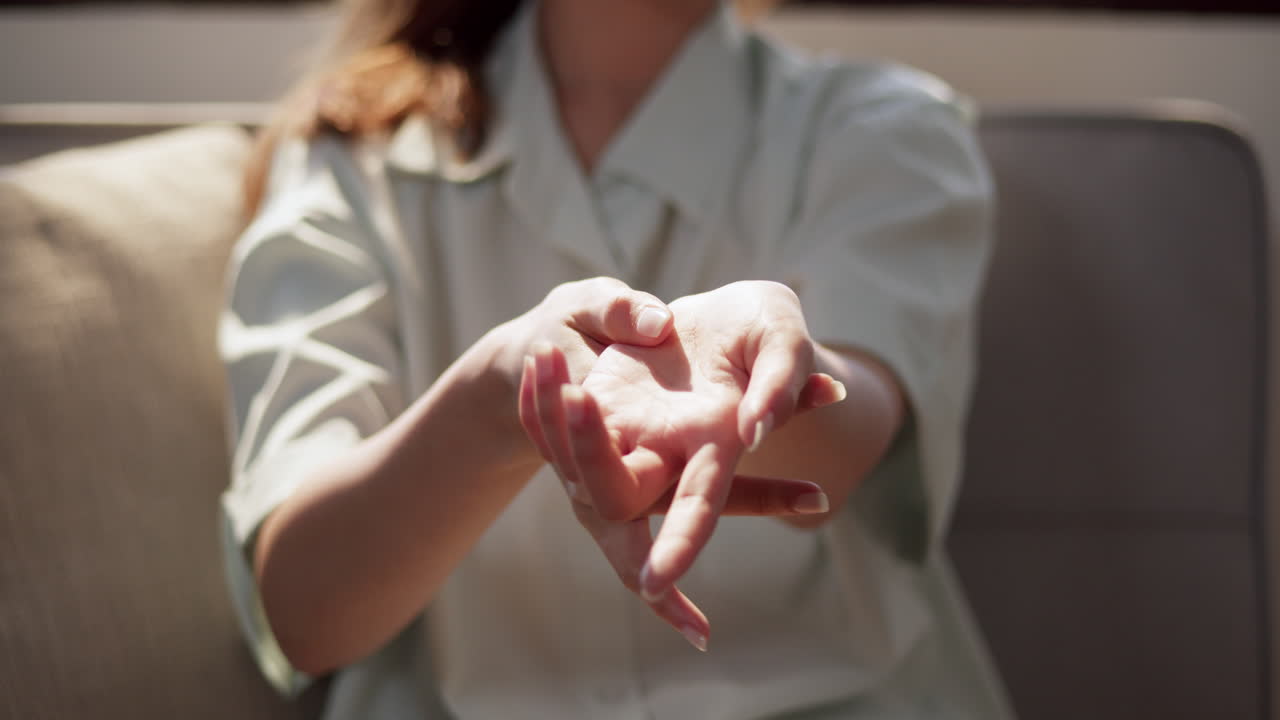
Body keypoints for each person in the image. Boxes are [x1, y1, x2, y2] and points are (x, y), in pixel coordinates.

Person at [218, 0, 1014, 717]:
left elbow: (852, 428)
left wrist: (756, 372)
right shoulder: (354, 163)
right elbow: (305, 614)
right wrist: (498, 393)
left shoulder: (880, 128)